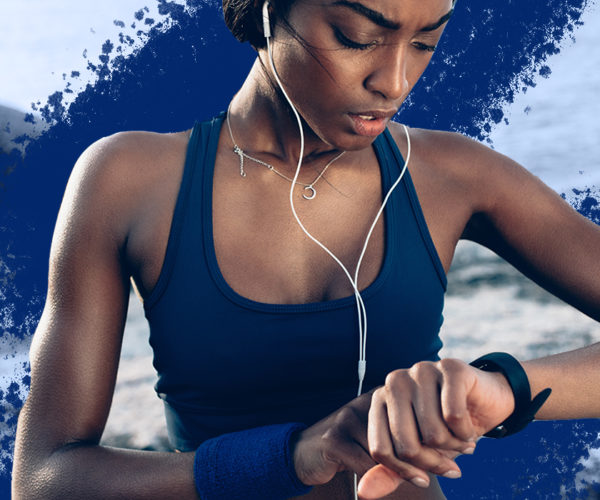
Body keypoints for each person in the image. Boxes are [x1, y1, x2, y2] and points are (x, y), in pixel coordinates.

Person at [12, 0, 600, 498]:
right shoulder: (129, 180)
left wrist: (502, 388)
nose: (393, 82)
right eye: (358, 37)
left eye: (425, 42)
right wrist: (290, 456)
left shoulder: (454, 176)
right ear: (271, 10)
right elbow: (44, 476)